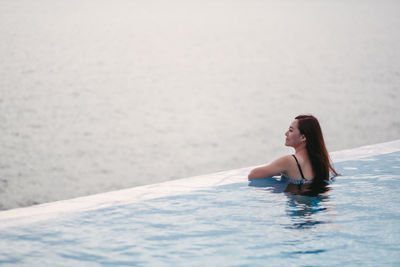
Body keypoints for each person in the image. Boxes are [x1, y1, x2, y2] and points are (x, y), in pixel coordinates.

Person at [248, 115, 338, 195]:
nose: (286, 134)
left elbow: (252, 175)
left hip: (298, 210)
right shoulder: (321, 161)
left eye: (290, 130)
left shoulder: (288, 161)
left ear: (303, 137)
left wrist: (279, 171)